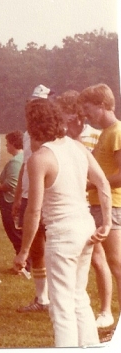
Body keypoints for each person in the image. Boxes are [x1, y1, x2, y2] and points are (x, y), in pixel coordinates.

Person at [14, 98, 111, 347]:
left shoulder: (40, 158)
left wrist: (23, 251)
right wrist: (107, 223)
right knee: (79, 298)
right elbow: (102, 184)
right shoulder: (77, 147)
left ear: (33, 125)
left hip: (64, 233)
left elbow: (33, 211)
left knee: (61, 306)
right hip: (86, 227)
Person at [79, 83, 121, 330]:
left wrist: (92, 185)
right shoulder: (106, 132)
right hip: (100, 204)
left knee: (116, 262)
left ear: (103, 106)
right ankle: (106, 311)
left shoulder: (116, 132)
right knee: (102, 260)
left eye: (89, 109)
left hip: (112, 205)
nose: (87, 115)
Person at [12, 84, 54, 313]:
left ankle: (59, 297)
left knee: (55, 249)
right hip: (30, 196)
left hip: (48, 196)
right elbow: (25, 166)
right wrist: (19, 195)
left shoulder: (54, 134)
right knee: (37, 250)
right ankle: (42, 298)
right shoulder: (28, 134)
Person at [0, 131, 24, 257]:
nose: (6, 146)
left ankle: (23, 262)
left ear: (14, 144)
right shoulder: (22, 158)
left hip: (10, 201)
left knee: (14, 232)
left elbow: (11, 185)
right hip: (16, 200)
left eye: (8, 143)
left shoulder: (15, 162)